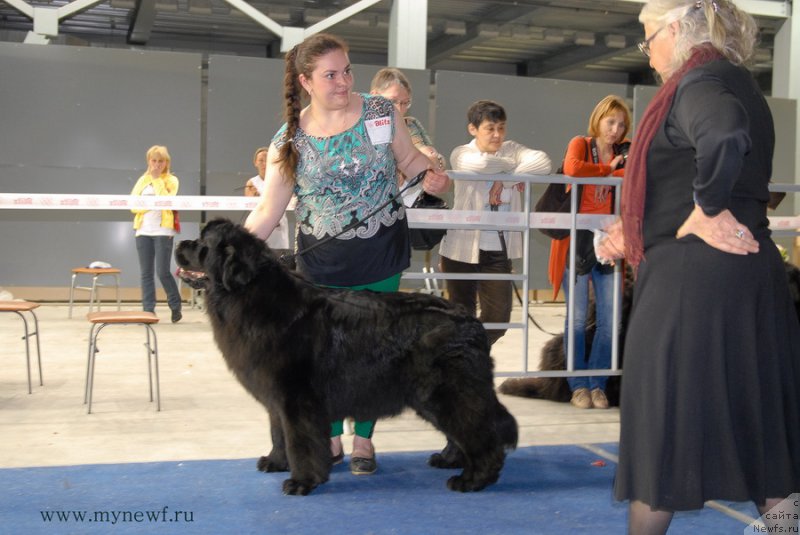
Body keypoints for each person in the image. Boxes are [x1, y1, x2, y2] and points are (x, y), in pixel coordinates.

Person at [594, 1, 800, 532]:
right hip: (749, 281)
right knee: (765, 442)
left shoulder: (698, 82)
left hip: (692, 289)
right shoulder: (738, 81)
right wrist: (645, 227)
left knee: (661, 440)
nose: (648, 51)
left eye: (649, 36)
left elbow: (724, 136)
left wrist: (704, 208)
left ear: (678, 29)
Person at [243, 33, 450, 477]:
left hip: (382, 254)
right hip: (321, 265)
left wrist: (436, 180)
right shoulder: (290, 138)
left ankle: (365, 440)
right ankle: (331, 437)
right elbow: (269, 208)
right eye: (331, 75)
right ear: (306, 81)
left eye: (348, 70)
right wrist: (230, 251)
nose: (343, 82)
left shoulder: (381, 113)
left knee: (376, 352)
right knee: (324, 358)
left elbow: (412, 163)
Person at [439, 100, 551, 346]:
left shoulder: (511, 148)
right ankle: (462, 373)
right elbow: (479, 165)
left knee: (498, 320)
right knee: (460, 317)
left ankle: (471, 356)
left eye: (501, 128)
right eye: (490, 128)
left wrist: (505, 182)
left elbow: (543, 163)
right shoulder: (462, 152)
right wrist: (512, 171)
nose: (497, 135)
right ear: (473, 129)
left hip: (498, 250)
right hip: (460, 250)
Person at [548, 95, 631, 410]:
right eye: (611, 122)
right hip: (579, 241)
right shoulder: (581, 143)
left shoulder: (627, 149)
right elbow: (572, 168)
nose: (616, 129)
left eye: (621, 124)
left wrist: (610, 172)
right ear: (598, 120)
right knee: (578, 318)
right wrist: (608, 169)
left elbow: (634, 176)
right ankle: (578, 385)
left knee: (611, 320)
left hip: (612, 240)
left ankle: (598, 383)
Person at [369, 67, 446, 205]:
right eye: (392, 101)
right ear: (374, 96)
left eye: (405, 103)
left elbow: (433, 157)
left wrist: (435, 162)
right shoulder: (360, 128)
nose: (398, 109)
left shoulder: (411, 124)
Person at [130, 145, 183, 323]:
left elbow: (166, 201)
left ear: (166, 162)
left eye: (161, 161)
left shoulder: (172, 180)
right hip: (143, 231)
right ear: (148, 161)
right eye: (154, 160)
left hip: (163, 231)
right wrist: (149, 205)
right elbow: (133, 205)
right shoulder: (141, 180)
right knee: (146, 273)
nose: (157, 164)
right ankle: (148, 311)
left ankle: (175, 305)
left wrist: (156, 179)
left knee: (162, 271)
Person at [244, 146, 291, 254]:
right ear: (255, 163)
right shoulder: (252, 183)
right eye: (261, 160)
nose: (264, 163)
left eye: (266, 160)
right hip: (261, 224)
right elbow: (249, 204)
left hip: (279, 225)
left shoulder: (281, 179)